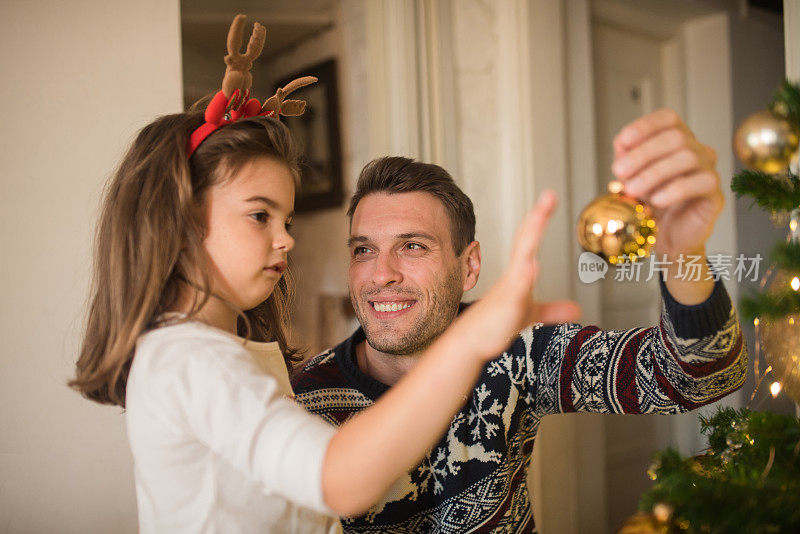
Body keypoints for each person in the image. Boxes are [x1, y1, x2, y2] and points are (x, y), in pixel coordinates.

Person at [68, 15, 580, 534]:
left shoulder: (207, 353)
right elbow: (339, 478)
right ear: (177, 223)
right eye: (259, 215)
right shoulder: (194, 361)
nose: (287, 238)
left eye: (285, 220)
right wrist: (467, 344)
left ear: (468, 262)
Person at [291, 109, 748, 533]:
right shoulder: (302, 402)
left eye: (413, 246)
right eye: (363, 249)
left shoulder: (513, 354)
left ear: (469, 267)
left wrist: (681, 248)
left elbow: (697, 376)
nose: (381, 274)